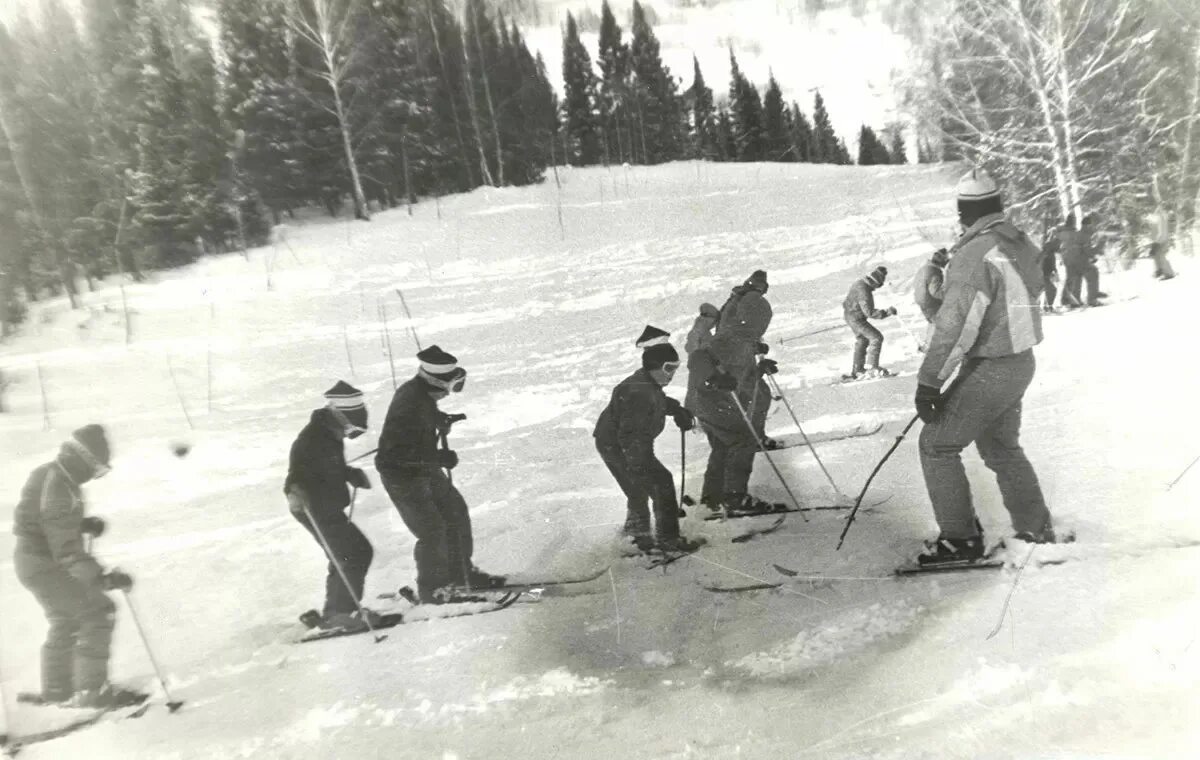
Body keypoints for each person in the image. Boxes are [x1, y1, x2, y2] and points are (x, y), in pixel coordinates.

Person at [912, 168, 1057, 566]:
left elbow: (955, 328)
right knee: (1000, 446)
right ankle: (1036, 529)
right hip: (1019, 360)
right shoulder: (1018, 242)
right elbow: (1028, 291)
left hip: (992, 366)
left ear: (964, 211)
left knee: (936, 444)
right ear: (997, 205)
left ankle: (960, 540)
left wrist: (929, 383)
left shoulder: (974, 256)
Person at [12, 425, 145, 708]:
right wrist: (104, 580)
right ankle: (90, 692)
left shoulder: (53, 475)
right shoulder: (59, 486)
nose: (93, 476)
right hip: (46, 566)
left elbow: (46, 523)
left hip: (35, 562)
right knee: (98, 612)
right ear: (81, 458)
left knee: (66, 619)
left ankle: (58, 691)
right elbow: (67, 552)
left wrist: (82, 524)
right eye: (94, 468)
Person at [376, 346, 502, 603]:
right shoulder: (409, 401)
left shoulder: (420, 395)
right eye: (453, 386)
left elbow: (425, 415)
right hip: (403, 476)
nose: (450, 393)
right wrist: (437, 458)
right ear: (440, 383)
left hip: (424, 470)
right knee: (432, 530)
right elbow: (396, 454)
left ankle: (459, 575)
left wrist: (440, 419)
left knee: (455, 511)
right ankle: (433, 590)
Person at [594, 330, 701, 552]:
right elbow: (631, 434)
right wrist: (638, 464)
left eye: (676, 367)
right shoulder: (638, 392)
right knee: (659, 483)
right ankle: (666, 540)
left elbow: (658, 399)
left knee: (639, 489)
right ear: (654, 366)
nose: (672, 374)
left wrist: (676, 409)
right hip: (618, 446)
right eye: (668, 368)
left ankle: (636, 537)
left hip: (622, 443)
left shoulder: (648, 383)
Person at [285, 381, 377, 630]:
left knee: (351, 551)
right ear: (340, 415)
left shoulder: (328, 433)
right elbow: (296, 474)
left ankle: (339, 609)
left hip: (326, 506)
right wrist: (295, 491)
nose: (350, 433)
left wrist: (349, 473)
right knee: (352, 553)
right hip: (311, 507)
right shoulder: (312, 438)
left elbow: (326, 467)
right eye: (351, 427)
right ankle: (339, 612)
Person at [710, 270, 775, 446]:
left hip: (725, 356)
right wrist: (752, 345)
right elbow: (741, 332)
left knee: (751, 395)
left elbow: (731, 330)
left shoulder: (734, 300)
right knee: (756, 395)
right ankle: (750, 439)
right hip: (736, 358)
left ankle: (747, 438)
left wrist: (754, 346)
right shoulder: (752, 300)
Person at [842, 265, 897, 379]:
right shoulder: (864, 290)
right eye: (878, 286)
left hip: (851, 316)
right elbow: (869, 312)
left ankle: (858, 370)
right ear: (875, 282)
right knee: (876, 337)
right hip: (856, 319)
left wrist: (853, 313)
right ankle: (872, 367)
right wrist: (887, 312)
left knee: (862, 340)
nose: (876, 288)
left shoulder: (859, 283)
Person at [913, 247, 950, 350]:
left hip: (923, 300)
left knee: (934, 322)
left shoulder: (925, 268)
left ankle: (928, 346)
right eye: (946, 260)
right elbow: (935, 291)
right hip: (930, 302)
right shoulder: (934, 271)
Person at [1145, 206, 1177, 281]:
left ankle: (1169, 273)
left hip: (1162, 239)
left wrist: (1156, 242)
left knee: (1161, 256)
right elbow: (1154, 229)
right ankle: (1159, 270)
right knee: (1156, 255)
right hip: (1158, 239)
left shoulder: (1161, 217)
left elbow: (1162, 231)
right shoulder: (1156, 217)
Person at [1040, 223, 1061, 313]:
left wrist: (1055, 271)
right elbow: (1046, 260)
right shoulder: (1048, 245)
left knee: (1047, 289)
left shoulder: (1050, 246)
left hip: (1046, 272)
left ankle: (1045, 307)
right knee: (1052, 289)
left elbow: (1052, 261)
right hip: (1043, 272)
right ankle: (1049, 307)